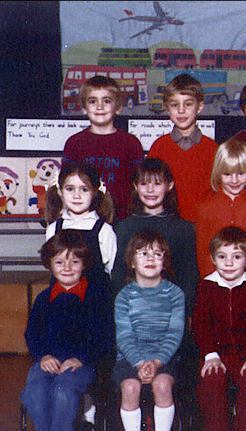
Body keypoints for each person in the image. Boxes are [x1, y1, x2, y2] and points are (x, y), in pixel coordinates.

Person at [21, 230, 114, 431]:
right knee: (35, 388)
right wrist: (43, 356)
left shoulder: (97, 297)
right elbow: (32, 334)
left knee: (64, 387)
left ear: (84, 263)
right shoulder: (44, 299)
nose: (67, 268)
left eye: (74, 262)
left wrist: (82, 358)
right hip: (48, 361)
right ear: (50, 265)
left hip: (81, 363)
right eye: (59, 262)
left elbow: (105, 336)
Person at [193, 226, 246, 431]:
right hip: (216, 354)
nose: (229, 263)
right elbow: (201, 325)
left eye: (236, 257)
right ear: (213, 258)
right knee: (212, 382)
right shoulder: (205, 287)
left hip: (245, 356)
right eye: (222, 257)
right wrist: (210, 356)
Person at [113, 230, 186, 431]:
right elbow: (124, 336)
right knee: (131, 386)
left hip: (165, 357)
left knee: (162, 385)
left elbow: (174, 334)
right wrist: (138, 363)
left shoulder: (175, 294)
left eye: (157, 253)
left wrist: (156, 362)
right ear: (132, 262)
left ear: (165, 261)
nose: (150, 258)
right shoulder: (124, 296)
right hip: (131, 358)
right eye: (143, 253)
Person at [112, 158, 199, 319]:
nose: (150, 190)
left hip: (171, 312)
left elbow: (189, 277)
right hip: (133, 311)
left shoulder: (183, 228)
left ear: (169, 186)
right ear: (135, 187)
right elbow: (119, 274)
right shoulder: (125, 226)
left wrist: (180, 312)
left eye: (157, 183)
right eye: (144, 184)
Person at [62, 75, 144, 221]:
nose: (99, 107)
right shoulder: (74, 143)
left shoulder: (131, 143)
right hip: (82, 219)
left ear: (118, 107)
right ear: (84, 108)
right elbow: (65, 185)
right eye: (93, 101)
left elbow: (139, 186)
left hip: (122, 219)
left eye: (107, 101)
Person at [194, 138, 246, 282]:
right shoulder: (204, 209)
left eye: (240, 173)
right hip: (215, 284)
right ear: (218, 174)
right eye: (227, 174)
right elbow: (203, 254)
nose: (234, 180)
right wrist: (211, 282)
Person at [148, 73, 219, 222]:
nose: (181, 110)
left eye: (188, 104)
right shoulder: (159, 147)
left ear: (200, 107)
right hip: (166, 223)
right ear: (167, 108)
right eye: (175, 105)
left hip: (203, 224)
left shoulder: (213, 149)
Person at [45, 161, 117, 293]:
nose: (76, 195)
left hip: (95, 302)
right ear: (60, 191)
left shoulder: (104, 230)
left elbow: (113, 271)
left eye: (84, 189)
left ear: (95, 192)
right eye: (70, 189)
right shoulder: (53, 228)